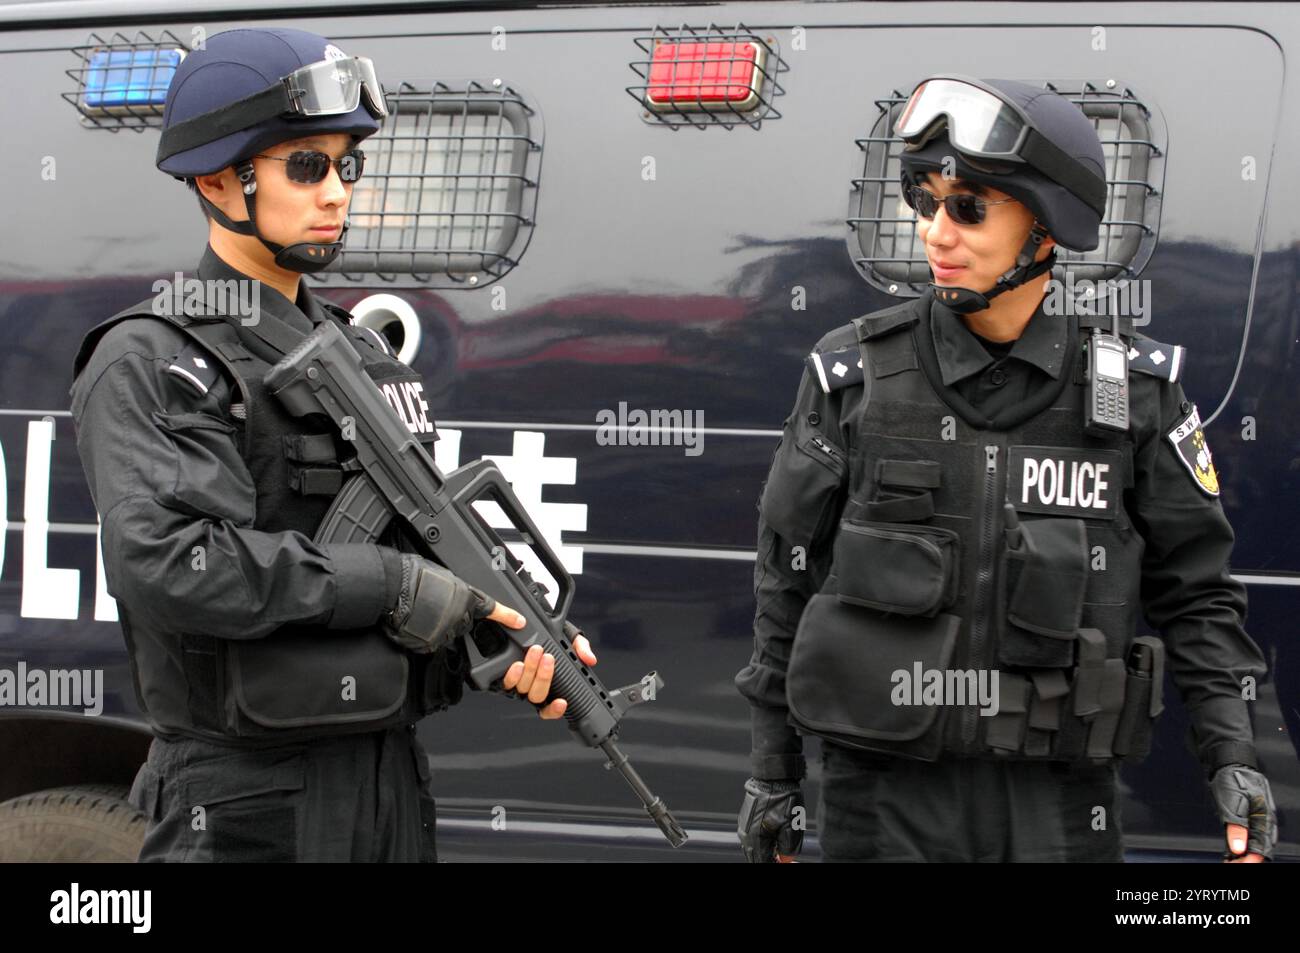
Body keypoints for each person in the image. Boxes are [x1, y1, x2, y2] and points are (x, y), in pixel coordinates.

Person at [69, 27, 595, 862]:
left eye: (346, 165)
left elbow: (430, 549)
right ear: (217, 177)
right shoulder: (155, 357)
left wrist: (498, 636)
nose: (337, 192)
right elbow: (170, 562)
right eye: (305, 166)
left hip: (388, 780)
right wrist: (391, 584)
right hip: (244, 797)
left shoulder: (361, 353)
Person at [735, 74, 1278, 863]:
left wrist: (1233, 758)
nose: (936, 233)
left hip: (1058, 808)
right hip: (882, 800)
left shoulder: (1135, 396)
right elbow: (786, 577)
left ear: (1047, 228)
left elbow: (1196, 597)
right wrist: (771, 773)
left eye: (969, 208)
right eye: (926, 201)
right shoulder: (852, 376)